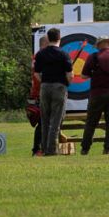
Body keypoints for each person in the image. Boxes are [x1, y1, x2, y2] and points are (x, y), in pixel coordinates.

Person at [81, 37, 109, 155]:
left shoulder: (94, 57)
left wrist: (95, 74)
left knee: (91, 122)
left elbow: (84, 76)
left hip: (97, 93)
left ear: (99, 44)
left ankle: (85, 149)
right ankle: (107, 149)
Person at [31, 30, 68, 158]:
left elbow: (36, 73)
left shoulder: (40, 54)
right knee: (55, 121)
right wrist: (65, 83)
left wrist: (45, 82)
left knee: (45, 120)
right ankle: (51, 150)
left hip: (44, 88)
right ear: (59, 38)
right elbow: (70, 74)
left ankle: (44, 148)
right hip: (58, 87)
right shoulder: (63, 54)